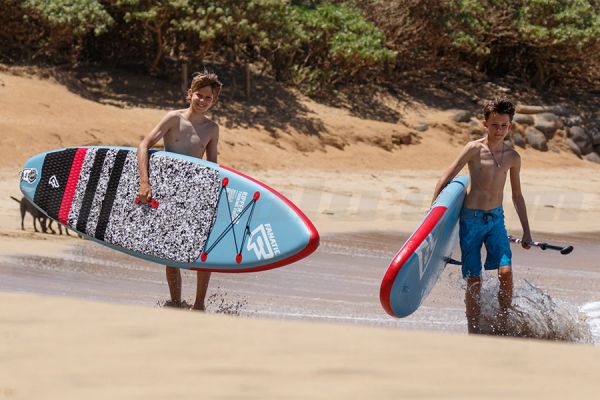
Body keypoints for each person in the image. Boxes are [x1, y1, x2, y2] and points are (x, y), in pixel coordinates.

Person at [431, 97, 532, 334]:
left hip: (496, 220)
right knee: (474, 279)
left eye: (504, 125)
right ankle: (473, 330)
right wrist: (432, 214)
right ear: (485, 123)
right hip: (471, 221)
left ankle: (503, 322)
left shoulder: (513, 157)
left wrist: (527, 231)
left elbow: (517, 195)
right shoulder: (473, 149)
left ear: (510, 126)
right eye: (494, 125)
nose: (499, 130)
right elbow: (446, 177)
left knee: (506, 272)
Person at [137, 71, 223, 311]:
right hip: (168, 193)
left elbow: (212, 166)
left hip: (195, 194)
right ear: (190, 94)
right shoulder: (173, 119)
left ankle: (199, 305)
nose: (202, 100)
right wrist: (145, 182)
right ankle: (175, 302)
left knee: (203, 249)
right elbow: (144, 144)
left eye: (208, 97)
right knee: (171, 250)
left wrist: (213, 198)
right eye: (199, 95)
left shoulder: (212, 129)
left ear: (213, 101)